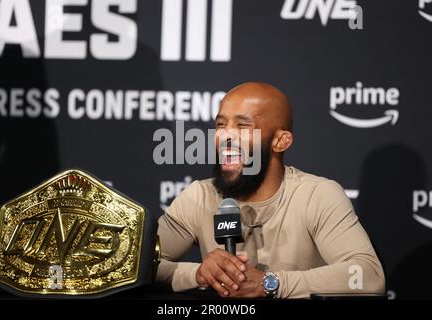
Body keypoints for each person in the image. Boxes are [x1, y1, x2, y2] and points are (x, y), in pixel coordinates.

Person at [156, 82, 385, 298]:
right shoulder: (199, 197)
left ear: (281, 141)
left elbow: (369, 276)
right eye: (221, 125)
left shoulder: (317, 195)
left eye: (243, 125)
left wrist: (271, 283)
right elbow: (133, 265)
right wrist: (198, 274)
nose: (226, 135)